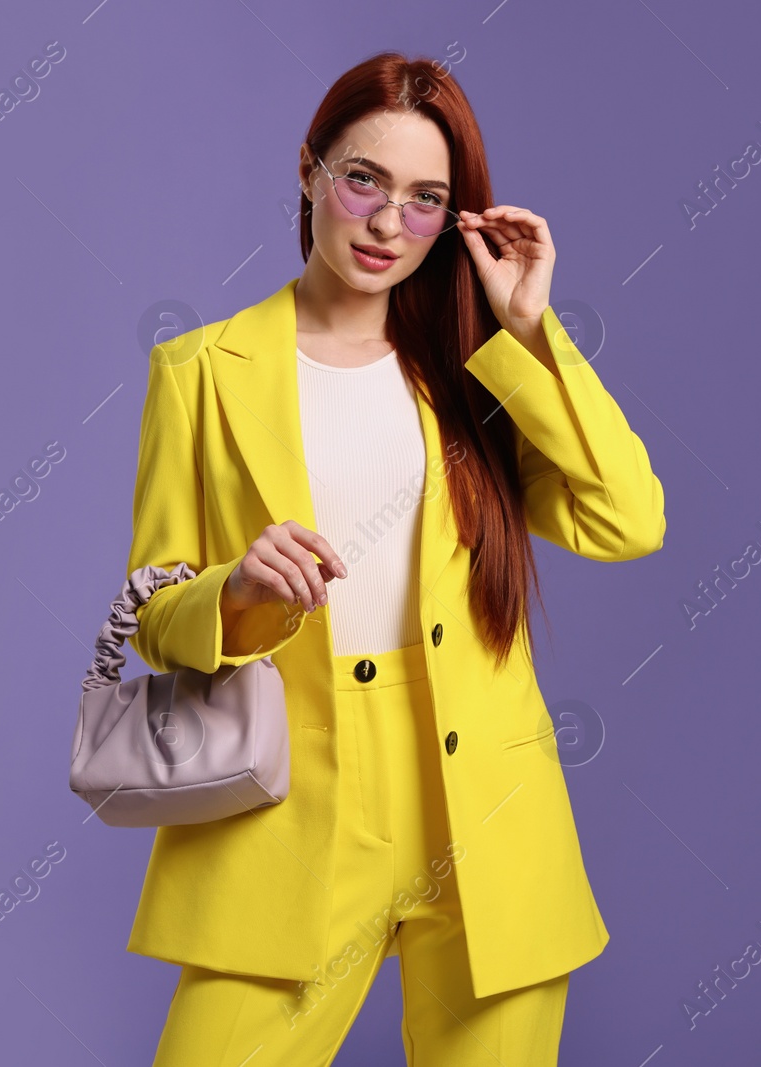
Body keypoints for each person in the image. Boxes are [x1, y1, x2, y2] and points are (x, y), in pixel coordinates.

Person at [124, 50, 667, 1066]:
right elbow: (154, 608)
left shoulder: (479, 377)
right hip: (285, 804)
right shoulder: (198, 372)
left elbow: (626, 519)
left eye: (426, 200)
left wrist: (531, 332)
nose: (385, 224)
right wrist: (234, 590)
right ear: (308, 171)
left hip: (484, 812)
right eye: (363, 180)